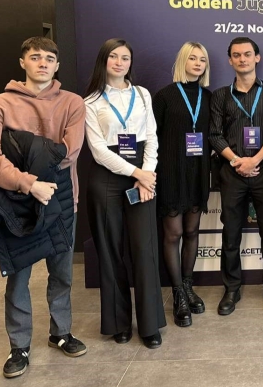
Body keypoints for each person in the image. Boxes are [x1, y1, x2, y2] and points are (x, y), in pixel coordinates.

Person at [0, 37, 87, 378]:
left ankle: (61, 332)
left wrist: (24, 158)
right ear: (23, 62)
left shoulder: (72, 102)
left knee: (62, 272)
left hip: (63, 198)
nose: (42, 63)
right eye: (35, 57)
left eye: (49, 58)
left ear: (57, 66)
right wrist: (28, 183)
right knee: (18, 277)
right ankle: (19, 346)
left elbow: (70, 151)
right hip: (15, 202)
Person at [84, 38, 166, 348]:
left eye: (125, 58)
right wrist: (137, 174)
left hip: (143, 176)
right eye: (114, 57)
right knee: (111, 252)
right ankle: (119, 323)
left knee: (145, 250)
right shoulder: (90, 101)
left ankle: (149, 324)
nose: (120, 62)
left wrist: (147, 175)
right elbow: (98, 151)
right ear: (103, 60)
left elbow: (152, 137)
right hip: (106, 179)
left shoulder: (142, 94)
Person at [209, 37, 263, 315]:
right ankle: (231, 289)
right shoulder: (220, 96)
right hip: (232, 173)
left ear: (257, 58)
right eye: (237, 55)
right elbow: (214, 135)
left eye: (247, 54)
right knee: (230, 235)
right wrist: (238, 161)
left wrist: (255, 160)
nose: (242, 59)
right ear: (230, 60)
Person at [153, 42, 212, 327]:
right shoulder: (164, 96)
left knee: (192, 231)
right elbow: (153, 137)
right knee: (173, 233)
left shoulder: (208, 97)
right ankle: (177, 294)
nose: (198, 63)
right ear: (182, 61)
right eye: (192, 58)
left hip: (198, 172)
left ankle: (188, 286)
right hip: (170, 172)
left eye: (202, 59)